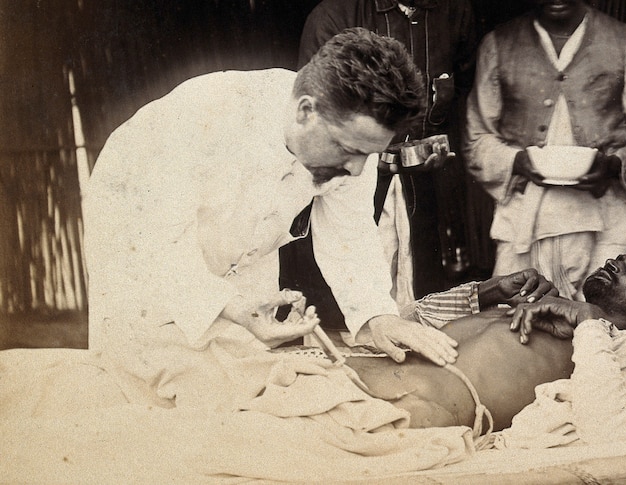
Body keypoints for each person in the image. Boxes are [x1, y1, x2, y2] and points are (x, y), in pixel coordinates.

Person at [82, 28, 461, 407]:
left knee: (244, 381)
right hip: (134, 235)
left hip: (244, 253)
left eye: (369, 153)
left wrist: (379, 316)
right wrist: (225, 305)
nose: (359, 169)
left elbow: (352, 235)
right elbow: (158, 243)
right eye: (349, 150)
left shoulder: (348, 145)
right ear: (305, 111)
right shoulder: (201, 117)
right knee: (143, 380)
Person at [350, 250, 626, 438]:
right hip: (359, 371)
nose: (613, 264)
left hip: (404, 413)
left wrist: (588, 322)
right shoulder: (548, 304)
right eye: (620, 259)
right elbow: (395, 324)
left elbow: (617, 431)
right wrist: (488, 292)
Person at [281, 0, 479, 328]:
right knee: (335, 316)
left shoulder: (455, 13)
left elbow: (461, 93)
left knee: (412, 296)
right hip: (337, 186)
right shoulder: (333, 16)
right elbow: (320, 130)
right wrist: (383, 156)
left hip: (417, 193)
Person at [464, 0, 626, 301]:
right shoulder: (498, 45)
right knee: (517, 324)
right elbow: (476, 140)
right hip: (523, 222)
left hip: (607, 219)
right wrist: (516, 160)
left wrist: (615, 165)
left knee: (603, 323)